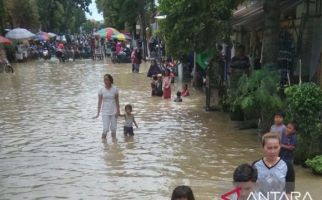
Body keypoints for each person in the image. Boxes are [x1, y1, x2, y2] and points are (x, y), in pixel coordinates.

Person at [253, 132, 295, 199]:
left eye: (276, 147)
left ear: (280, 147)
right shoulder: (255, 166)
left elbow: (289, 193)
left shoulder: (288, 166)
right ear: (263, 147)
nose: (273, 151)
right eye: (269, 148)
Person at [94, 74, 120, 139]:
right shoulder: (101, 90)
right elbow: (99, 102)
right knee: (105, 129)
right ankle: (104, 144)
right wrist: (98, 113)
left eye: (107, 79)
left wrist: (118, 111)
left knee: (114, 129)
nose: (105, 81)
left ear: (110, 80)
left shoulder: (115, 89)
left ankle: (114, 145)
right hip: (105, 112)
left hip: (114, 111)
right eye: (104, 79)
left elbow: (117, 101)